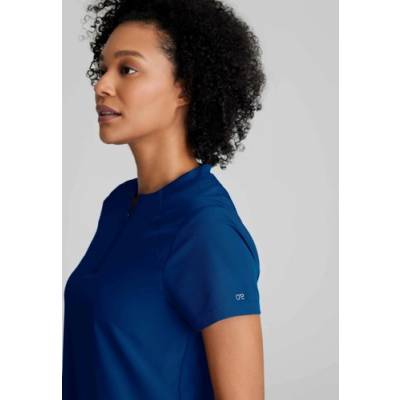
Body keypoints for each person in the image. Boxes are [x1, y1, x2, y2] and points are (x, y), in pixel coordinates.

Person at [63, 0, 266, 398]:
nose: (102, 85)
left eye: (127, 69)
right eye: (103, 69)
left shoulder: (205, 228)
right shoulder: (119, 206)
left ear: (184, 87)